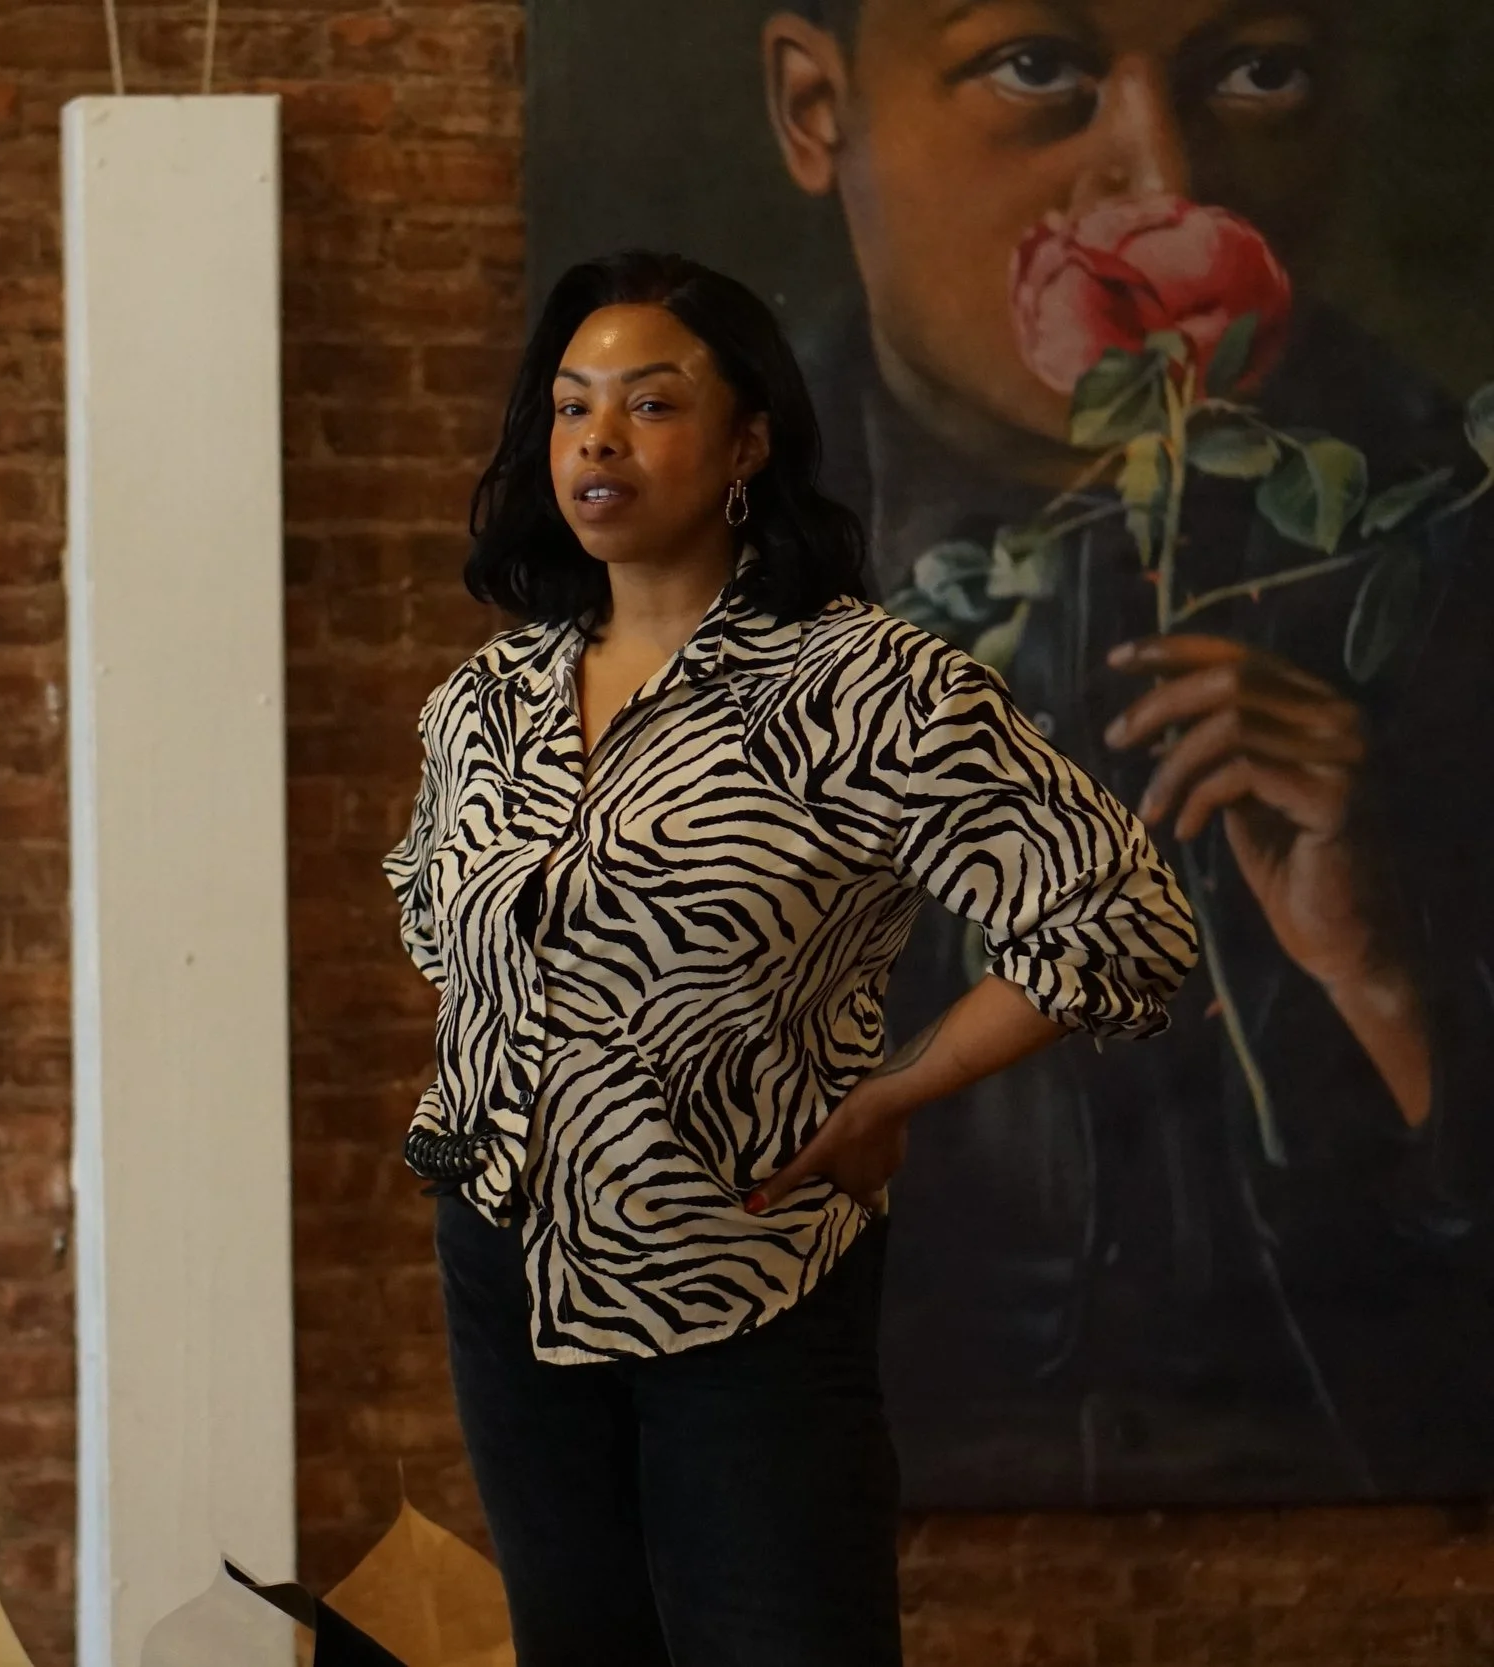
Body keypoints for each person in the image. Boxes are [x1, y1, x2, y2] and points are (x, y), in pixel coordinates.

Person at [386, 250, 1197, 1665]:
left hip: (745, 1272)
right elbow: (446, 941)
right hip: (508, 1269)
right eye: (574, 407)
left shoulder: (864, 685)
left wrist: (895, 1091)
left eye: (650, 403)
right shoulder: (486, 700)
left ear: (748, 439)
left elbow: (1118, 918)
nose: (598, 440)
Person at [759, 0, 1494, 1502]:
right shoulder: (703, 591)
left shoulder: (1444, 541)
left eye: (1258, 70)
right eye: (1040, 67)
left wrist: (1394, 993)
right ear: (815, 109)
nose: (1165, 180)